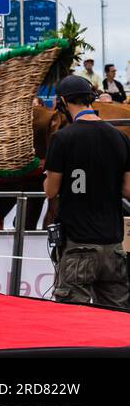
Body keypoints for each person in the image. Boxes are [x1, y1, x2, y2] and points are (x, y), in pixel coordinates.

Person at [44, 75, 130, 310]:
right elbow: (128, 189)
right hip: (113, 246)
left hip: (78, 245)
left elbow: (50, 191)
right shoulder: (120, 138)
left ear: (63, 101)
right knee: (119, 320)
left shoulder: (62, 139)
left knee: (72, 320)